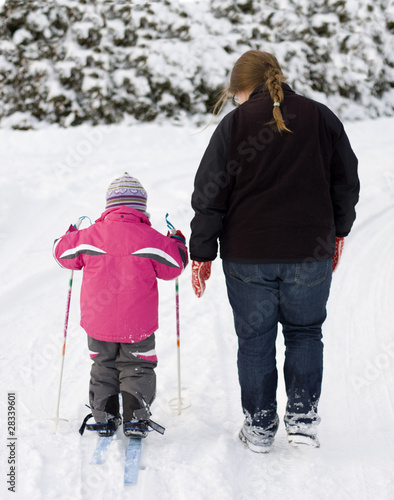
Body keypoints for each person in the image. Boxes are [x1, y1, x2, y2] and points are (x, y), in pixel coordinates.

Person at [190, 50, 359, 453]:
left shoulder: (235, 125)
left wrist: (202, 252)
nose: (235, 102)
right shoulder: (321, 117)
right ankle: (301, 421)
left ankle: (260, 427)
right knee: (305, 332)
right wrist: (338, 231)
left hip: (248, 255)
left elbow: (210, 193)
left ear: (242, 89)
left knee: (254, 339)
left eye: (235, 96)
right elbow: (346, 181)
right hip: (309, 251)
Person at [53, 173, 188, 438]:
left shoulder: (90, 236)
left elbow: (61, 252)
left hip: (97, 322)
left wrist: (71, 233)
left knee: (103, 365)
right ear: (141, 208)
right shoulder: (152, 238)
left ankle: (104, 417)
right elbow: (175, 265)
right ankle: (136, 418)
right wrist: (178, 242)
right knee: (137, 365)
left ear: (109, 207)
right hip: (138, 325)